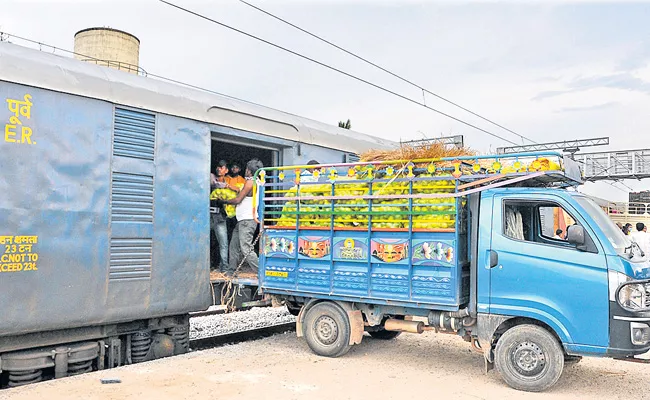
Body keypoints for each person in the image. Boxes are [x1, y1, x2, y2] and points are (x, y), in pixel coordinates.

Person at [221, 158, 264, 276]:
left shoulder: (250, 183)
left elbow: (238, 199)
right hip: (243, 219)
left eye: (246, 169)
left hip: (247, 219)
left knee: (246, 248)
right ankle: (231, 271)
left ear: (249, 171)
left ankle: (262, 272)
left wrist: (224, 201)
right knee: (234, 245)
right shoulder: (259, 182)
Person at [210, 160, 231, 271]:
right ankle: (210, 265)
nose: (219, 169)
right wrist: (228, 186)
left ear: (226, 170)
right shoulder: (211, 176)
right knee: (209, 242)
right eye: (218, 166)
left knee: (223, 243)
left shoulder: (229, 182)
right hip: (208, 216)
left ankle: (224, 268)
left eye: (222, 167)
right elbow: (214, 184)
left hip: (220, 217)